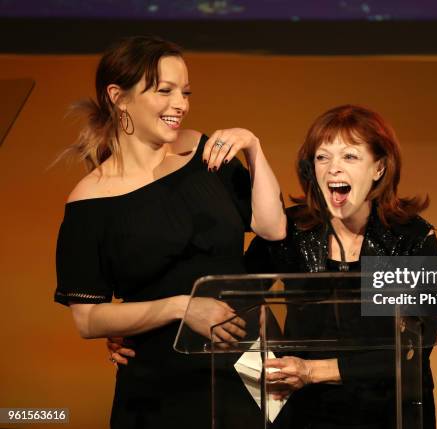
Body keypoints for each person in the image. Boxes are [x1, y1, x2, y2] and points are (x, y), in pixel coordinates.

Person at [54, 35, 285, 429]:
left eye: (185, 91)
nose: (181, 103)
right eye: (165, 91)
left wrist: (254, 148)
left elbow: (272, 227)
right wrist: (182, 307)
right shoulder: (88, 202)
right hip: (162, 384)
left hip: (248, 363)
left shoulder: (207, 154)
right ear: (118, 96)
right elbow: (87, 319)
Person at [245, 104, 437, 429]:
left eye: (349, 156)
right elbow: (229, 299)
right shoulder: (290, 231)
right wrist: (274, 361)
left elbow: (414, 349)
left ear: (379, 168)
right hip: (306, 414)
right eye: (323, 157)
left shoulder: (408, 237)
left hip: (388, 412)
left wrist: (312, 371)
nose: (334, 168)